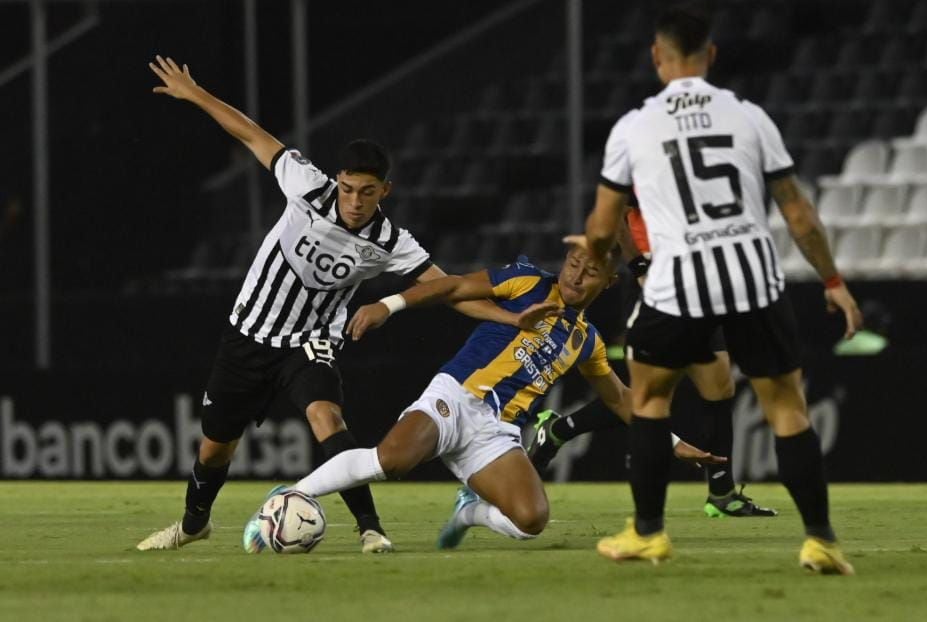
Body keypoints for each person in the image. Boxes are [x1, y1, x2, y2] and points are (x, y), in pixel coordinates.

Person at [136, 55, 522, 554]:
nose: (354, 200)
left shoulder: (390, 241)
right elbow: (253, 135)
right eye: (347, 188)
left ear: (385, 190)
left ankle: (371, 529)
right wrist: (196, 94)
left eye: (366, 191)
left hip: (309, 343)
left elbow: (448, 289)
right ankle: (193, 525)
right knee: (215, 447)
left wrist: (511, 318)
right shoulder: (306, 186)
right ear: (335, 180)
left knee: (328, 419)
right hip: (248, 333)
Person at [582, 7, 862, 573]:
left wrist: (594, 255)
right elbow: (800, 215)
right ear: (710, 57)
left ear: (657, 58)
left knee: (651, 400)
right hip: (753, 277)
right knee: (787, 408)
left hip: (677, 283)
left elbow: (601, 228)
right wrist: (834, 282)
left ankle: (649, 533)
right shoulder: (750, 117)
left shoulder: (633, 127)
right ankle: (822, 541)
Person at [242, 245, 724, 552]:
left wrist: (674, 442)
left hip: (495, 432)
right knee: (391, 459)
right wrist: (388, 305)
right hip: (456, 395)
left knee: (532, 520)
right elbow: (452, 286)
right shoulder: (528, 280)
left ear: (608, 282)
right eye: (574, 264)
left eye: (590, 272)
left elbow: (619, 398)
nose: (576, 275)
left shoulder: (586, 341)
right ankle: (290, 497)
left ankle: (467, 511)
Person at [529, 199, 776, 518]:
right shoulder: (645, 158)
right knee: (648, 397)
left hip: (692, 285)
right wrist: (640, 267)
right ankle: (646, 520)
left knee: (720, 385)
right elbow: (616, 212)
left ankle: (722, 492)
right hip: (652, 284)